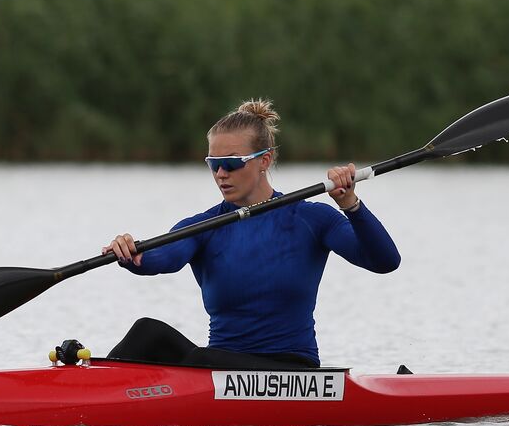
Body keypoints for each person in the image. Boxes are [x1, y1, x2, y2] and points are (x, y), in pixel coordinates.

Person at [103, 98, 400, 369]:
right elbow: (161, 259)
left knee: (201, 360)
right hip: (217, 367)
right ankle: (87, 394)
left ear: (264, 161)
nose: (221, 174)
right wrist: (134, 255)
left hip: (291, 370)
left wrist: (351, 205)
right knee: (147, 332)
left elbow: (385, 261)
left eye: (230, 163)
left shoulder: (311, 218)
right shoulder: (203, 227)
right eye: (213, 165)